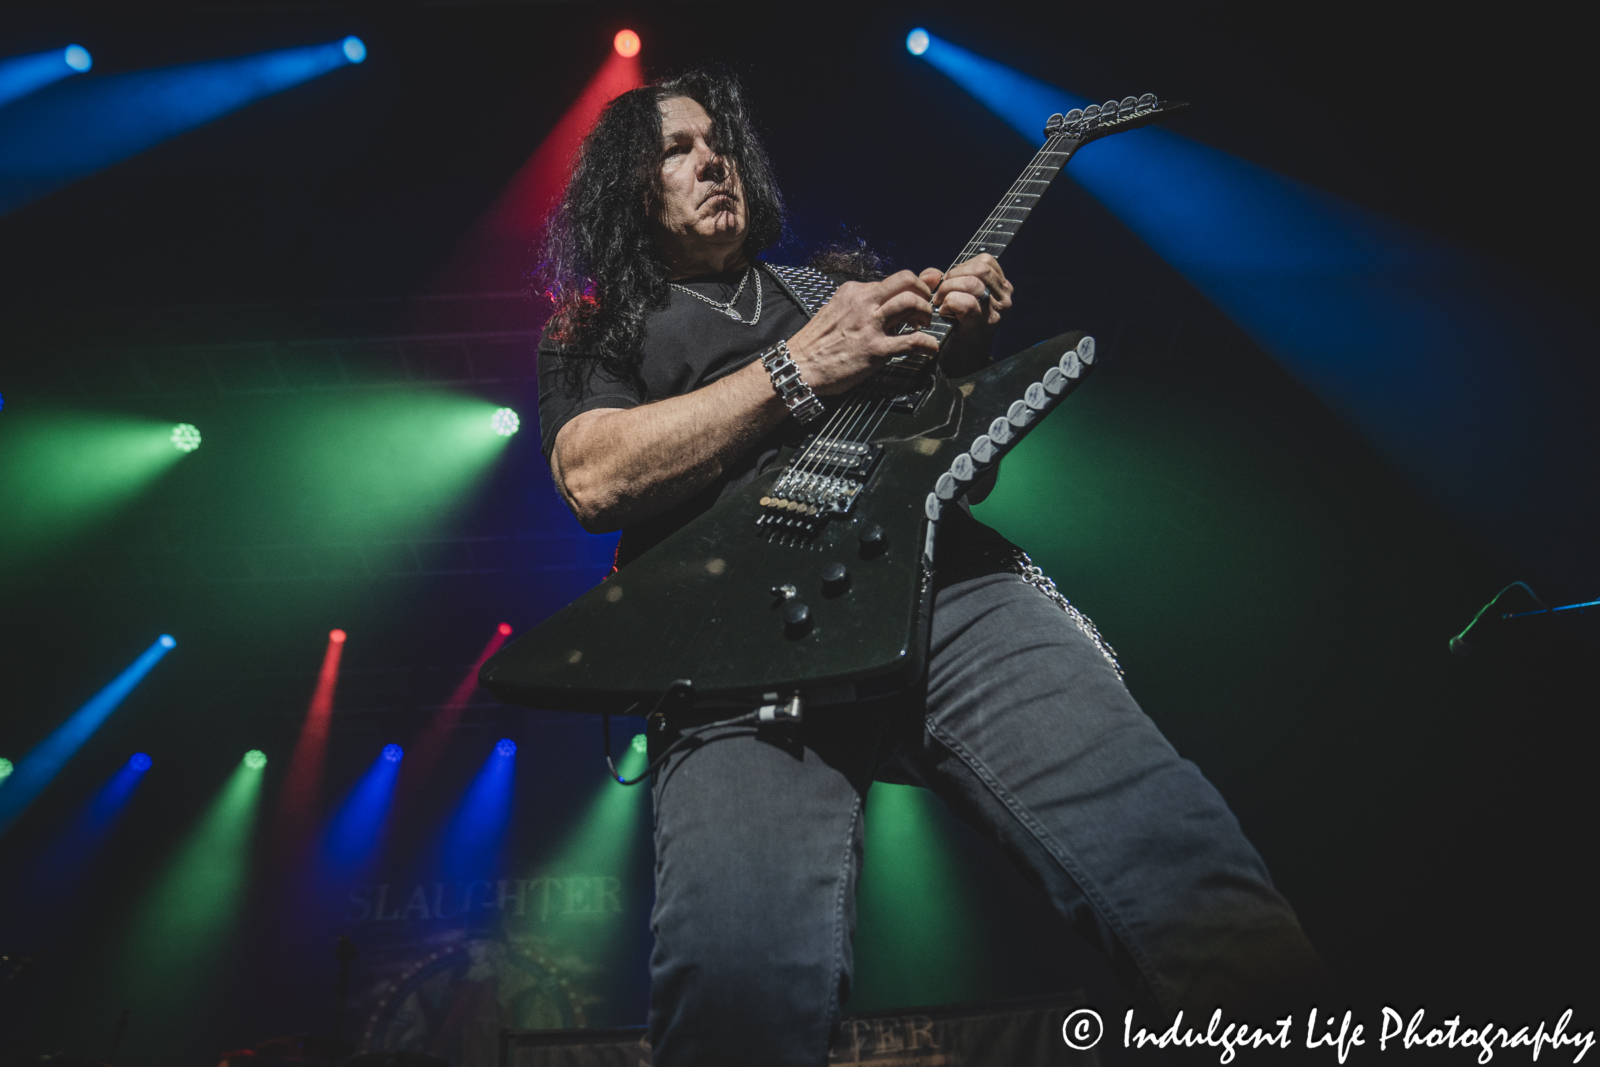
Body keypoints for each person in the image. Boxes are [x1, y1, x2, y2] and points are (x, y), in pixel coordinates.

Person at [535, 69, 1326, 1067]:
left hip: (948, 592)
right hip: (731, 656)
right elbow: (593, 475)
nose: (711, 159)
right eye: (676, 148)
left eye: (718, 142)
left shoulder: (828, 290)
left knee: (1183, 867)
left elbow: (964, 472)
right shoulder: (596, 327)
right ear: (623, 183)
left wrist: (966, 362)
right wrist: (800, 369)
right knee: (737, 995)